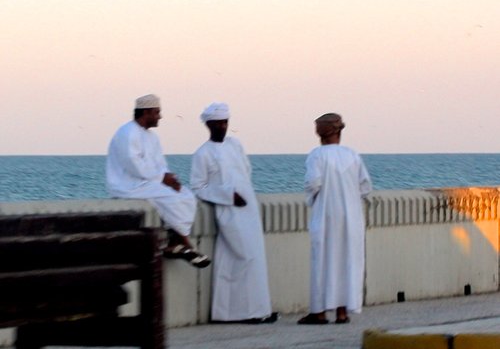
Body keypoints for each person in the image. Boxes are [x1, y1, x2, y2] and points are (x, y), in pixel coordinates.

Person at [190, 102, 278, 324]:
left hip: (248, 208)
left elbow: (246, 171)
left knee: (254, 258)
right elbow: (198, 187)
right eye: (218, 123)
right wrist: (228, 195)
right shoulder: (202, 153)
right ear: (209, 125)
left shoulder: (235, 145)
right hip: (227, 210)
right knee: (244, 256)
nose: (222, 126)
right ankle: (241, 312)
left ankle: (258, 310)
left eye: (225, 122)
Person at [106, 94, 210, 268]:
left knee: (185, 195)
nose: (160, 116)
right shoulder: (127, 132)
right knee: (172, 198)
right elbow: (133, 163)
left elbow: (160, 164)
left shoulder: (152, 137)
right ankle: (185, 243)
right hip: (127, 185)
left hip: (148, 182)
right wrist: (162, 178)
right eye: (157, 112)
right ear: (146, 112)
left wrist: (170, 179)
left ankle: (176, 242)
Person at [298, 113, 372, 325]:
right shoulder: (352, 155)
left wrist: (314, 199)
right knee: (347, 261)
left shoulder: (317, 155)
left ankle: (319, 312)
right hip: (352, 218)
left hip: (326, 216)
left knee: (323, 261)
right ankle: (342, 312)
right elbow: (365, 186)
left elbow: (313, 183)